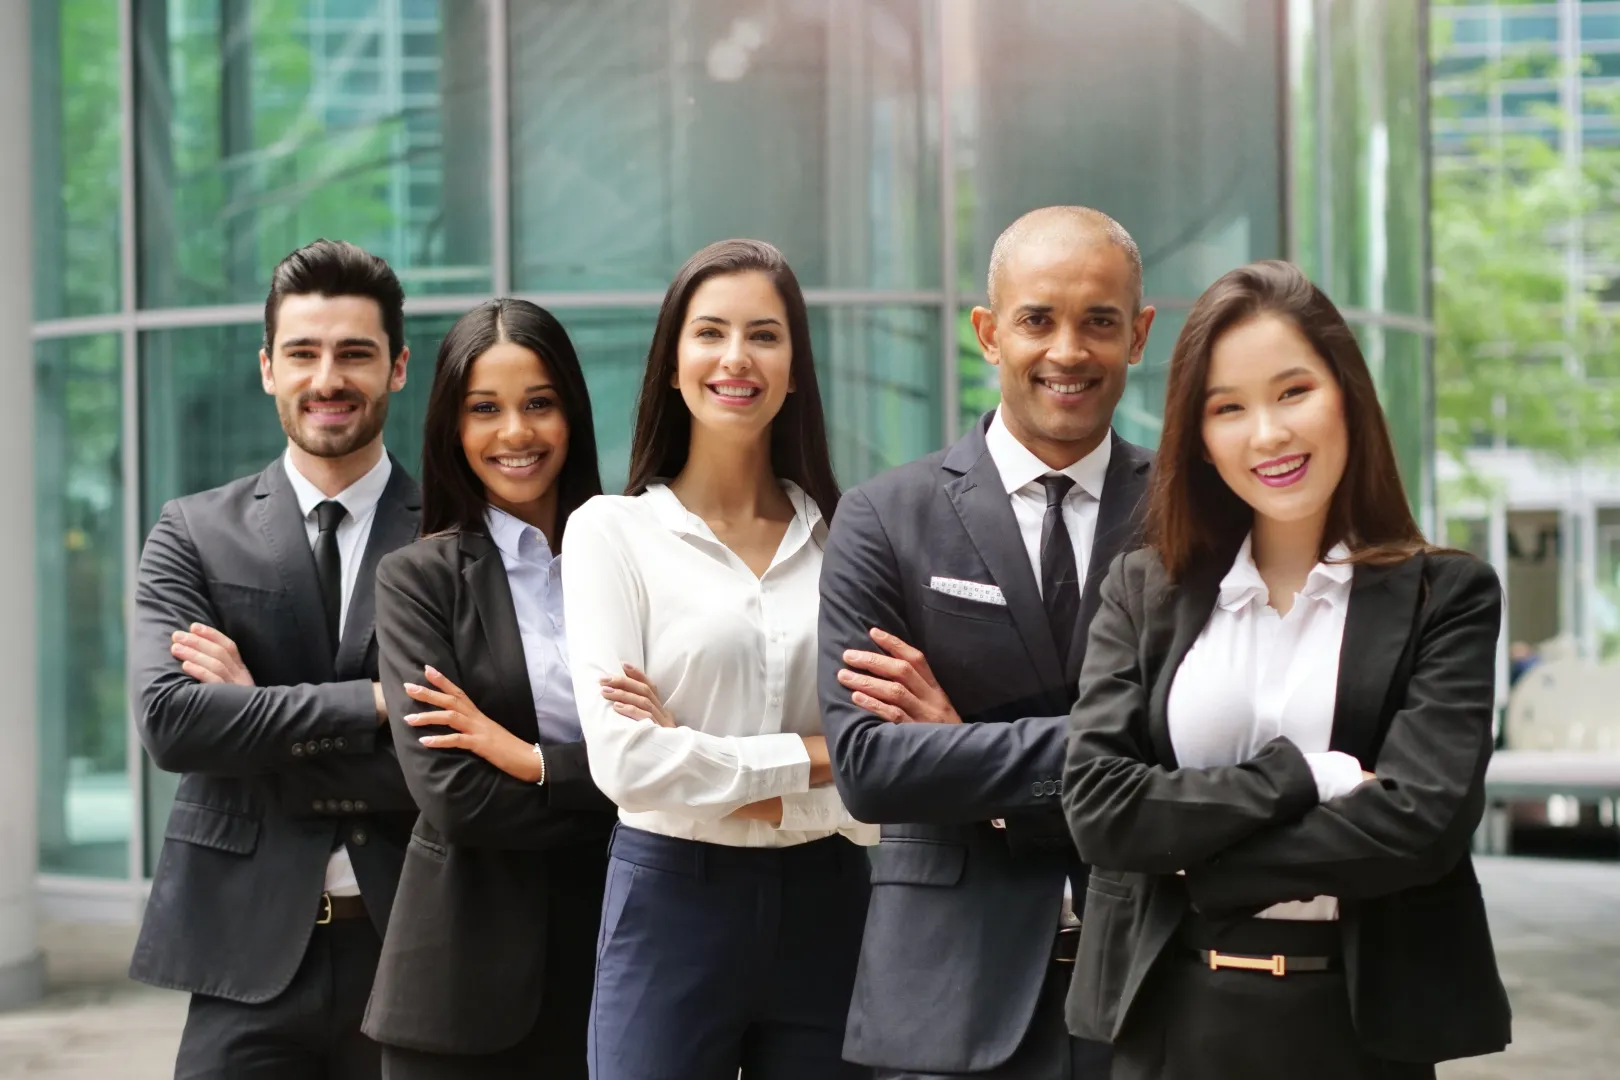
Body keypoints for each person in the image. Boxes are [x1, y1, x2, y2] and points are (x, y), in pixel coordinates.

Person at [1062, 260, 1512, 1079]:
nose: (1266, 434)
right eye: (1228, 408)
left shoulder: (1444, 595)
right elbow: (1099, 809)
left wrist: (1202, 865)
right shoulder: (1144, 588)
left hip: (1358, 1031)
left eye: (1293, 392)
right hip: (1169, 1023)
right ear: (1200, 438)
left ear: (1347, 395)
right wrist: (1308, 776)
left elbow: (1423, 824)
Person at [816, 206, 1156, 1079]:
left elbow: (1204, 751)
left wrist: (961, 746)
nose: (1068, 351)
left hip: (1153, 994)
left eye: (1100, 322)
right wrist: (1117, 750)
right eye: (1038, 319)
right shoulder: (884, 517)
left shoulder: (1194, 515)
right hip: (948, 998)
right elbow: (869, 768)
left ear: (1139, 334)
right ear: (989, 333)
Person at [561, 238, 875, 1080]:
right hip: (672, 902)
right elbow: (627, 764)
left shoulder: (851, 540)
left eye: (764, 335)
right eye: (710, 332)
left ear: (795, 370)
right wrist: (820, 756)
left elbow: (886, 776)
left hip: (831, 901)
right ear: (672, 364)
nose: (736, 357)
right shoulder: (611, 533)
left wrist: (722, 776)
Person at [131, 239, 422, 1079]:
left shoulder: (453, 533)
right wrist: (377, 702)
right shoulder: (193, 531)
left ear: (398, 367)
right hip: (242, 957)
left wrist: (253, 711)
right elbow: (172, 724)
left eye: (355, 353)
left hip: (414, 947)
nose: (327, 378)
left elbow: (455, 752)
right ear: (268, 368)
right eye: (302, 353)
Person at [364, 299, 617, 1078]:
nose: (515, 433)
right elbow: (454, 796)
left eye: (538, 403)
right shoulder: (417, 580)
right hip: (462, 991)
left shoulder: (631, 553)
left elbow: (690, 749)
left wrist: (525, 759)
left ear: (572, 414)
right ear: (453, 426)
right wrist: (622, 795)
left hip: (620, 966)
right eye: (485, 409)